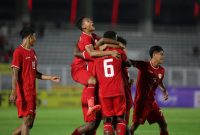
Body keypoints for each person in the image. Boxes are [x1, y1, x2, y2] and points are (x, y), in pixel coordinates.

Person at [71, 17, 122, 135]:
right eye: (88, 21)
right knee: (91, 125)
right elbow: (93, 53)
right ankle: (90, 107)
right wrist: (111, 51)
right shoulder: (85, 38)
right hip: (80, 71)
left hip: (97, 89)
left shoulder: (93, 37)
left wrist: (117, 44)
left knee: (94, 126)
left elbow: (104, 41)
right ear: (83, 27)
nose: (92, 22)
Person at [9, 27, 60, 135]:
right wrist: (13, 91)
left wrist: (50, 77)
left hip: (32, 92)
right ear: (29, 37)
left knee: (29, 123)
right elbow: (14, 73)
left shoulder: (33, 53)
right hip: (24, 92)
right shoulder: (18, 52)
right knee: (27, 121)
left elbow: (35, 73)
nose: (36, 39)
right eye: (35, 36)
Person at [128, 46, 169, 135]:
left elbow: (159, 81)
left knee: (163, 124)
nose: (163, 56)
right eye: (161, 54)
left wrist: (164, 90)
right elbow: (130, 62)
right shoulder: (144, 65)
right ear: (154, 54)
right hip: (141, 103)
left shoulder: (162, 70)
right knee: (133, 127)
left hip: (152, 102)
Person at [92, 31, 127, 135]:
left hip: (104, 93)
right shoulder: (119, 51)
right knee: (120, 119)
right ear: (114, 39)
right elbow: (126, 62)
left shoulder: (97, 53)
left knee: (107, 122)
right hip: (118, 90)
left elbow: (94, 75)